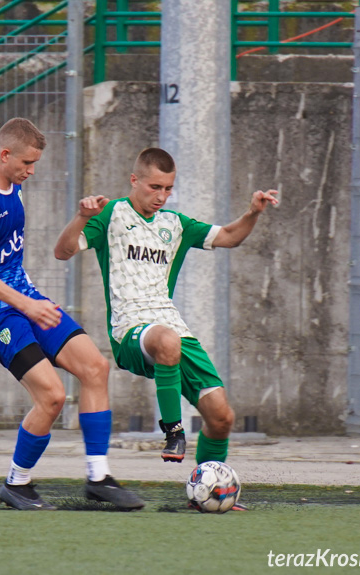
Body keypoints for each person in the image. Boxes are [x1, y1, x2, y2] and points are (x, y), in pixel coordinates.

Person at [54, 147, 277, 486]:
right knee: (166, 341)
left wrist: (252, 212)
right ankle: (174, 431)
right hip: (130, 331)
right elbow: (63, 251)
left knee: (222, 418)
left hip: (172, 329)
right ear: (134, 180)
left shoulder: (175, 224)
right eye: (154, 187)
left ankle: (206, 488)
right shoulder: (111, 213)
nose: (162, 196)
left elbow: (230, 237)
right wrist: (82, 216)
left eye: (168, 188)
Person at [0, 118, 144, 511]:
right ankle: (16, 483)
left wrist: (81, 216)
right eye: (26, 162)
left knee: (95, 368)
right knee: (52, 396)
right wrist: (25, 305)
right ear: (4, 155)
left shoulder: (14, 186)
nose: (32, 170)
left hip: (25, 300)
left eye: (35, 162)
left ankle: (98, 477)